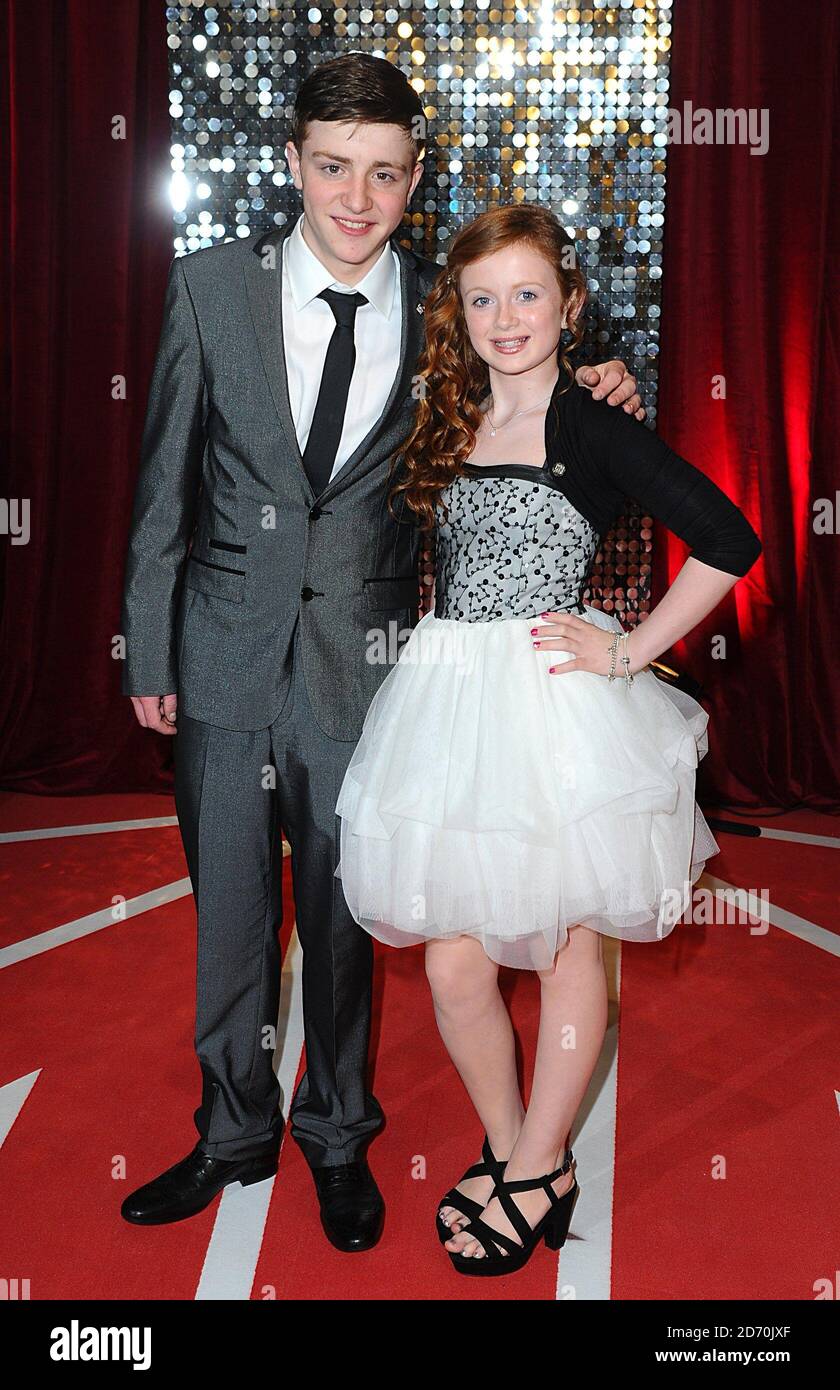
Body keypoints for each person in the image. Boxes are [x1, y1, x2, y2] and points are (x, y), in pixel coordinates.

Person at [119, 52, 645, 1252]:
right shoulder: (209, 289)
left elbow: (529, 386)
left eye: (387, 175)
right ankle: (232, 1128)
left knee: (356, 912)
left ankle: (339, 1136)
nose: (358, 198)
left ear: (414, 182)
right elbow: (162, 489)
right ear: (294, 163)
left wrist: (606, 380)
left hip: (371, 663)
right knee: (234, 909)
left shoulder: (444, 314)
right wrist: (148, 642)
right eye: (334, 167)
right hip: (221, 646)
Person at [334, 201, 762, 1275]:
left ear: (569, 305)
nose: (505, 315)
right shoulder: (445, 414)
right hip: (447, 707)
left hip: (556, 708)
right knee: (452, 965)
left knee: (570, 945)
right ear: (461, 315)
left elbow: (728, 537)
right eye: (482, 298)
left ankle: (533, 1166)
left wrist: (630, 653)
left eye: (529, 292)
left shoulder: (591, 422)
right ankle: (522, 1146)